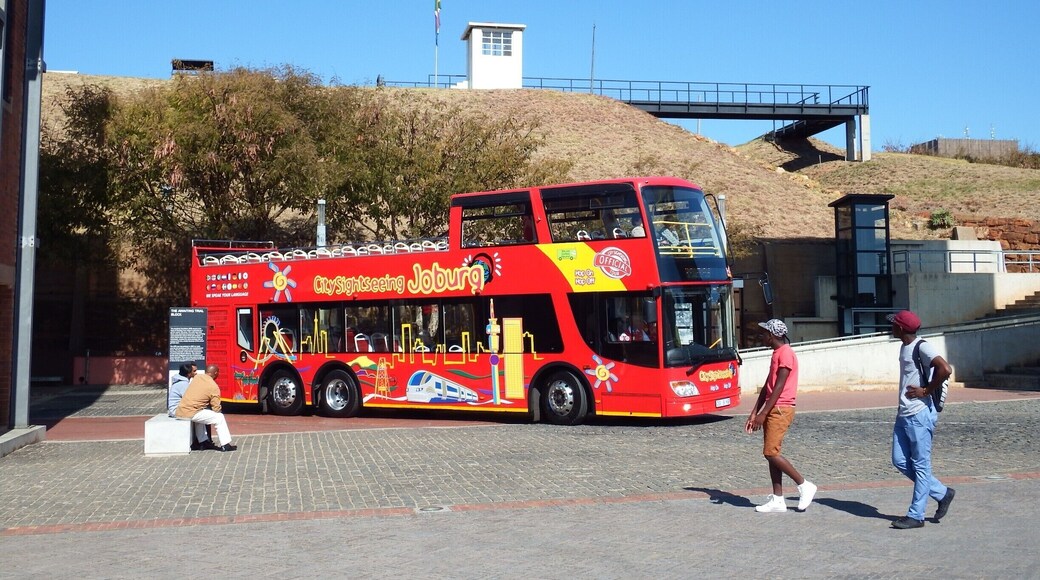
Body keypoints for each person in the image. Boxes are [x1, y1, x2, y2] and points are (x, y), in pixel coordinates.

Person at [887, 310, 955, 529]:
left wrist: (926, 390)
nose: (891, 327)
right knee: (899, 460)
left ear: (901, 328)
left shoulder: (922, 346)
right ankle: (942, 493)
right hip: (904, 414)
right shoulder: (904, 346)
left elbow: (945, 369)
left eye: (894, 325)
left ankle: (916, 515)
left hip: (919, 415)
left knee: (921, 465)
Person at [746, 319, 817, 513]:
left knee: (771, 453)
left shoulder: (786, 353)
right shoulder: (777, 353)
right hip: (773, 407)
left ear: (773, 335)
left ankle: (804, 485)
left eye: (764, 333)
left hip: (780, 408)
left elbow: (779, 387)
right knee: (771, 454)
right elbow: (768, 385)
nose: (762, 336)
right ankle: (778, 499)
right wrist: (754, 413)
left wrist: (763, 414)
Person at [175, 364, 237, 452]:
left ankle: (203, 442)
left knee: (201, 413)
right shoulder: (214, 386)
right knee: (219, 418)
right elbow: (216, 408)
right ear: (215, 373)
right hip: (191, 413)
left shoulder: (197, 378)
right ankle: (225, 444)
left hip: (180, 411)